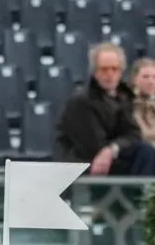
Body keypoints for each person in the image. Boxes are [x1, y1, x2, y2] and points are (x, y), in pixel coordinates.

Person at [54, 42, 155, 176]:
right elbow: (93, 148)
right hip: (83, 169)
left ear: (121, 71)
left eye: (114, 69)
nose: (109, 74)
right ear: (95, 72)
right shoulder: (81, 101)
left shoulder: (123, 97)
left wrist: (112, 149)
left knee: (145, 152)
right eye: (104, 69)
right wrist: (111, 149)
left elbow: (133, 135)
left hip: (111, 161)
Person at [128, 56, 155, 145]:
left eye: (154, 77)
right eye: (145, 77)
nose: (151, 81)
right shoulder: (128, 103)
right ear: (135, 79)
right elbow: (141, 133)